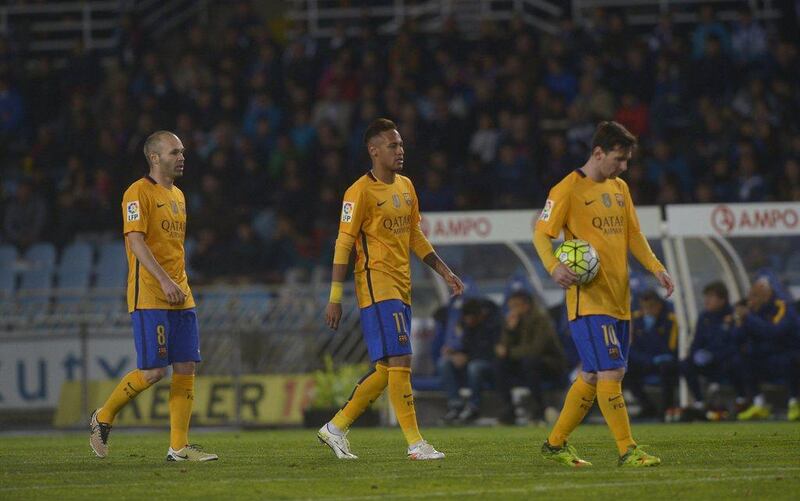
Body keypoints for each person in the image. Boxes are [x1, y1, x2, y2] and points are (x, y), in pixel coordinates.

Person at [318, 118, 465, 460]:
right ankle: (415, 443)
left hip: (402, 284)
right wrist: (335, 297)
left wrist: (445, 272)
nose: (400, 151)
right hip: (375, 283)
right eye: (392, 146)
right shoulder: (359, 192)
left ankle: (335, 427)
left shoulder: (406, 186)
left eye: (400, 145)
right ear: (374, 151)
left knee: (388, 369)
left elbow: (415, 235)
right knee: (402, 359)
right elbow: (343, 245)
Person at [533, 121, 675, 467]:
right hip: (588, 300)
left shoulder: (620, 188)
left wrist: (657, 268)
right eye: (619, 159)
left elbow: (633, 235)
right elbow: (541, 232)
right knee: (610, 374)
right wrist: (553, 267)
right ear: (598, 153)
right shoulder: (566, 188)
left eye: (626, 160)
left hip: (619, 299)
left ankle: (555, 444)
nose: (624, 166)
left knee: (594, 376)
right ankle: (628, 450)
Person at [89, 131, 217, 462]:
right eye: (175, 152)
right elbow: (135, 241)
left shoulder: (179, 196)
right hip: (150, 293)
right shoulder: (137, 193)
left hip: (181, 293)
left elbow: (173, 248)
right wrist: (163, 281)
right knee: (154, 372)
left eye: (183, 151)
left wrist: (179, 283)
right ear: (155, 158)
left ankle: (178, 447)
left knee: (187, 366)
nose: (182, 157)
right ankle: (104, 416)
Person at [494, 291, 566, 424]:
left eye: (515, 306)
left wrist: (509, 352)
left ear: (526, 306)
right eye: (510, 307)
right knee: (500, 364)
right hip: (523, 363)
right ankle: (507, 411)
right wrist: (510, 331)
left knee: (530, 363)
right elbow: (502, 350)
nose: (512, 310)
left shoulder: (541, 320)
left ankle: (539, 410)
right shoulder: (512, 321)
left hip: (550, 364)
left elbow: (535, 350)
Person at [734, 278, 800, 421]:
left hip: (787, 353)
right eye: (750, 295)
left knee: (790, 361)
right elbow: (737, 339)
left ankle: (795, 402)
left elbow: (774, 333)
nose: (751, 300)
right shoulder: (753, 312)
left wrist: (749, 318)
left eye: (755, 295)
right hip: (767, 357)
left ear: (767, 294)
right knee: (741, 359)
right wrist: (740, 321)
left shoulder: (782, 307)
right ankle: (759, 404)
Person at [680, 281, 746, 419]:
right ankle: (699, 402)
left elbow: (734, 343)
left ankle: (742, 399)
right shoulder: (704, 317)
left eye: (711, 297)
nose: (707, 300)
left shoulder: (733, 315)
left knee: (737, 361)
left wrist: (713, 355)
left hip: (725, 361)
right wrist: (695, 355)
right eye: (706, 296)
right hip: (708, 363)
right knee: (685, 364)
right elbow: (696, 342)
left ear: (722, 299)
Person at [438, 297, 499, 424]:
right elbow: (467, 347)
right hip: (471, 362)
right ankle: (455, 406)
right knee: (444, 363)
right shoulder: (468, 326)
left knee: (474, 366)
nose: (467, 321)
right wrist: (455, 353)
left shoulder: (493, 325)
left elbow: (492, 352)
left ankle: (473, 407)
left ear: (479, 315)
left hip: (491, 366)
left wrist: (467, 357)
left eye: (469, 318)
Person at [626, 290, 679, 420]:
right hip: (646, 361)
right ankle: (647, 406)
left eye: (650, 307)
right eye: (643, 307)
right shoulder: (636, 319)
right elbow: (630, 348)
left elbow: (671, 349)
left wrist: (653, 329)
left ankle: (666, 409)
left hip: (663, 362)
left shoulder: (670, 320)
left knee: (667, 369)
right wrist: (649, 360)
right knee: (625, 372)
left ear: (659, 305)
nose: (646, 311)